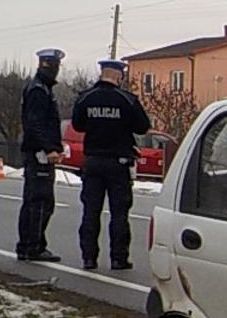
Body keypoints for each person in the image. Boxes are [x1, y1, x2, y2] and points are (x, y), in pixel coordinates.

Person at [72, 59, 153, 270]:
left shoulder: (86, 98)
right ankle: (119, 258)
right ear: (118, 76)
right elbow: (143, 126)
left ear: (102, 74)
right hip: (118, 163)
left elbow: (78, 125)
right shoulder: (126, 100)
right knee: (119, 213)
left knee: (91, 211)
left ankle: (89, 258)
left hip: (93, 161)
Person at [16, 48, 66, 262]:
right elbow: (35, 124)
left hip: (38, 152)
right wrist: (49, 148)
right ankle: (33, 246)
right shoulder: (38, 91)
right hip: (39, 154)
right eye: (56, 66)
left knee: (35, 201)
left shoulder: (41, 88)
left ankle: (28, 246)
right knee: (40, 202)